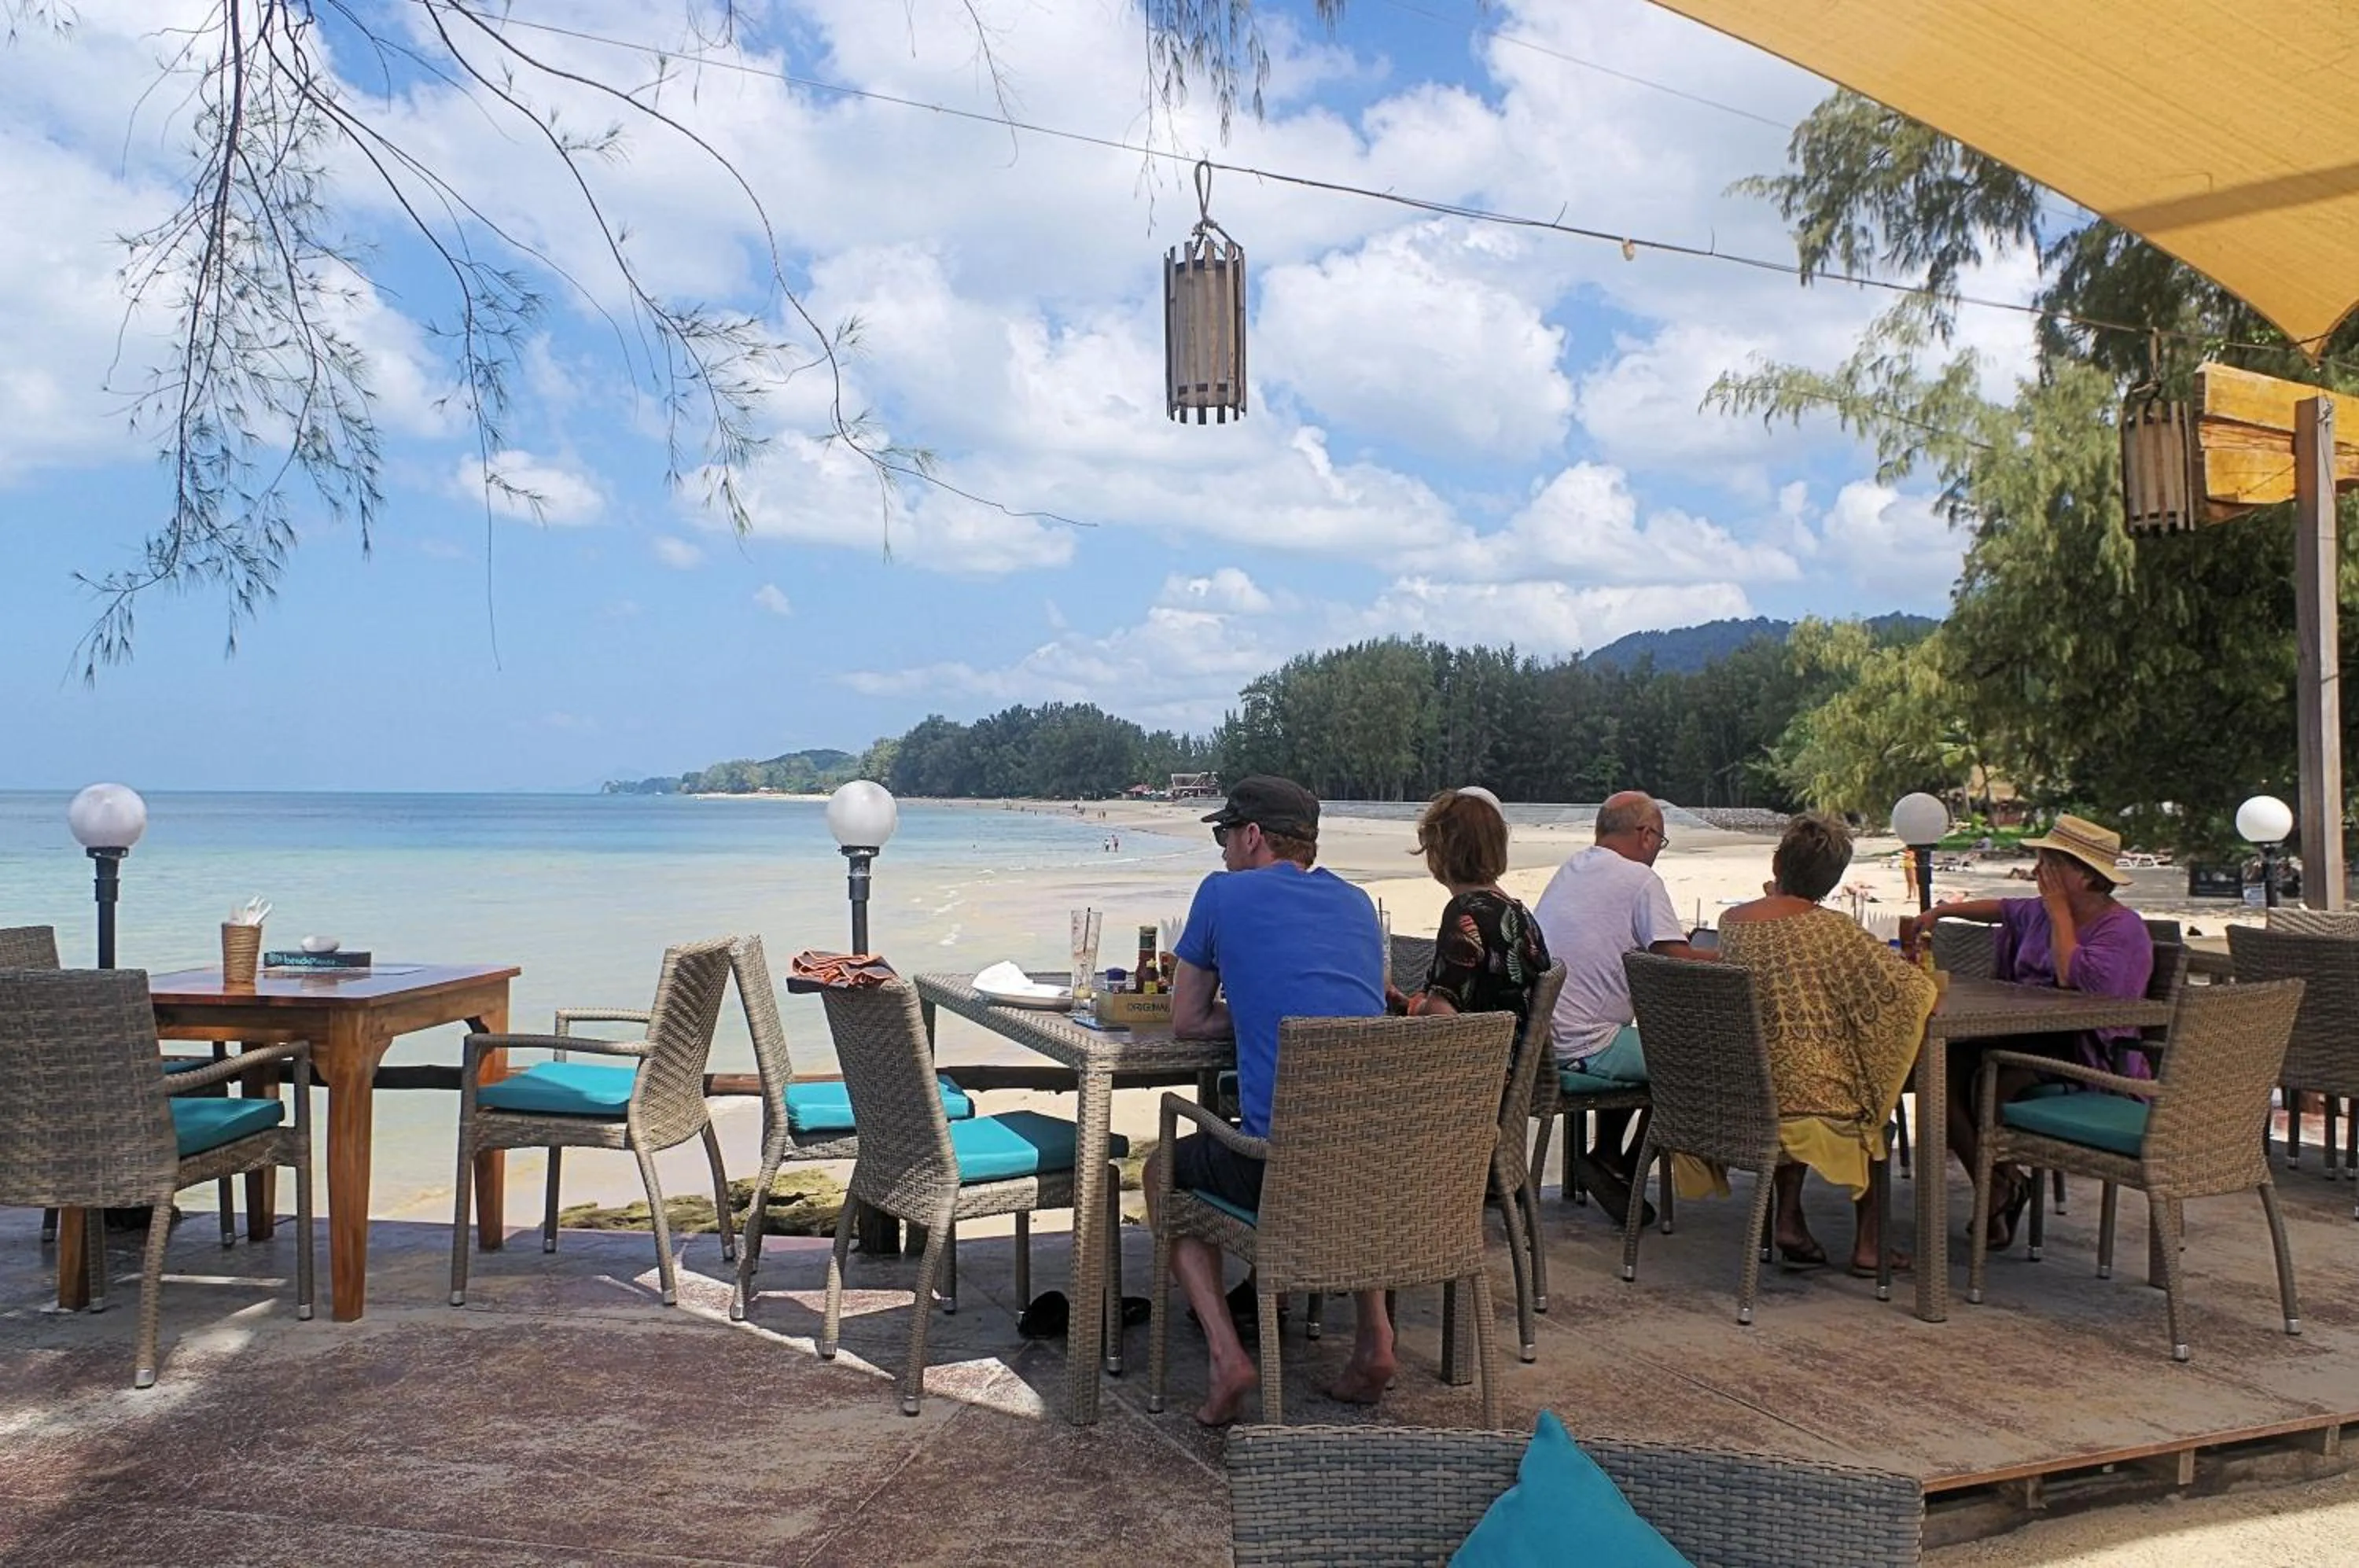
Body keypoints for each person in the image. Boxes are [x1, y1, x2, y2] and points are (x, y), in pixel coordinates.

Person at [1153, 775, 1387, 1426]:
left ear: (1253, 835)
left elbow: (1188, 1020)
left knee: (1161, 1171)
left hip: (1279, 1172)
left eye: (1226, 834)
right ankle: (1375, 1340)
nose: (1223, 849)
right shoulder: (1357, 903)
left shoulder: (1223, 894)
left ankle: (1228, 1354)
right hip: (1380, 1170)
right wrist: (1270, 1005)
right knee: (1338, 1134)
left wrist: (1256, 1009)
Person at [1897, 813, 2154, 1250]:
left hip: (2085, 1051)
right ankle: (1999, 1183)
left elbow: (2074, 978)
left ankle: (1999, 1187)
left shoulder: (2121, 928)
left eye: (2051, 866)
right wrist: (1940, 911)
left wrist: (2057, 913)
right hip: (2019, 1037)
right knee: (1937, 1069)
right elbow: (2001, 909)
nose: (2039, 874)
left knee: (1994, 1082)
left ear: (2085, 877)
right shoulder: (2038, 912)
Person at [1719, 815, 1934, 1275]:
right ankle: (1870, 1245)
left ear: (1777, 862)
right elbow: (1907, 993)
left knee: (1806, 1065)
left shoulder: (1732, 921)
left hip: (1746, 1084)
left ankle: (1789, 1217)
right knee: (1874, 1098)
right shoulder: (1834, 932)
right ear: (1834, 880)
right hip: (1805, 1095)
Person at [1529, 790, 1714, 1228]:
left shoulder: (1571, 869)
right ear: (1646, 835)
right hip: (1584, 1043)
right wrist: (1734, 955)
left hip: (1542, 1040)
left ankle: (1607, 1157)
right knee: (1691, 1059)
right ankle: (1628, 1167)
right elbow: (1675, 958)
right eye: (1661, 842)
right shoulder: (1640, 880)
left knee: (1637, 1036)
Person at [1389, 789, 1552, 1055]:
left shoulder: (1465, 913)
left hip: (1477, 1075)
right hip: (1512, 1063)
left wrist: (1418, 1007)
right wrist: (1410, 1004)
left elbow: (1443, 1018)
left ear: (1440, 852)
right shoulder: (1521, 914)